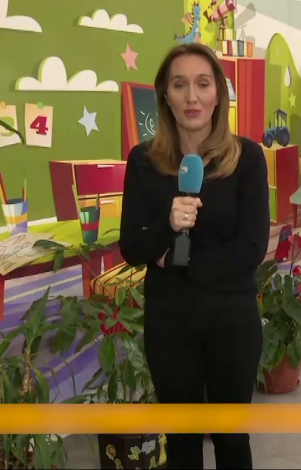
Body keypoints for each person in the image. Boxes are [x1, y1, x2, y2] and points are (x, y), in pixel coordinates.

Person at [118, 43, 270, 469]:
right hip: (170, 321)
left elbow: (251, 247)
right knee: (181, 442)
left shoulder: (247, 158)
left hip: (231, 319)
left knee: (231, 439)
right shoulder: (143, 161)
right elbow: (132, 245)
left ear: (218, 94)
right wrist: (167, 227)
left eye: (203, 84)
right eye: (179, 85)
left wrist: (175, 263)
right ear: (165, 95)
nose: (192, 97)